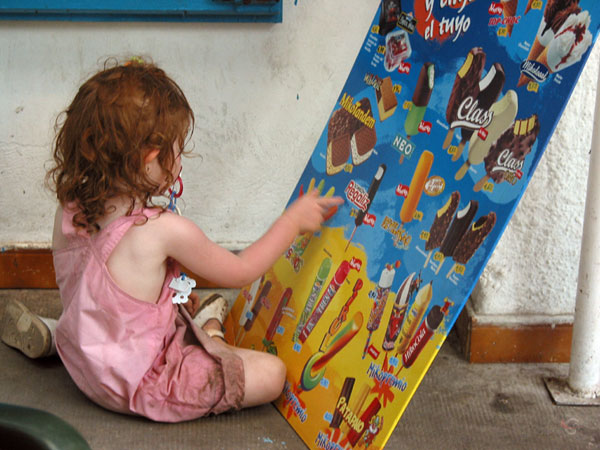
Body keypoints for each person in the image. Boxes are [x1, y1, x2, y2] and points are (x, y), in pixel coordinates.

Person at [0, 58, 343, 422]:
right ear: (152, 156)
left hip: (86, 362)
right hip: (139, 383)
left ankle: (58, 337)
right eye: (178, 148)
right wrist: (292, 222)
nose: (181, 159)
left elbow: (100, 290)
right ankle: (213, 334)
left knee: (150, 310)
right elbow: (242, 270)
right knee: (272, 374)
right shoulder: (161, 231)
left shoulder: (69, 210)